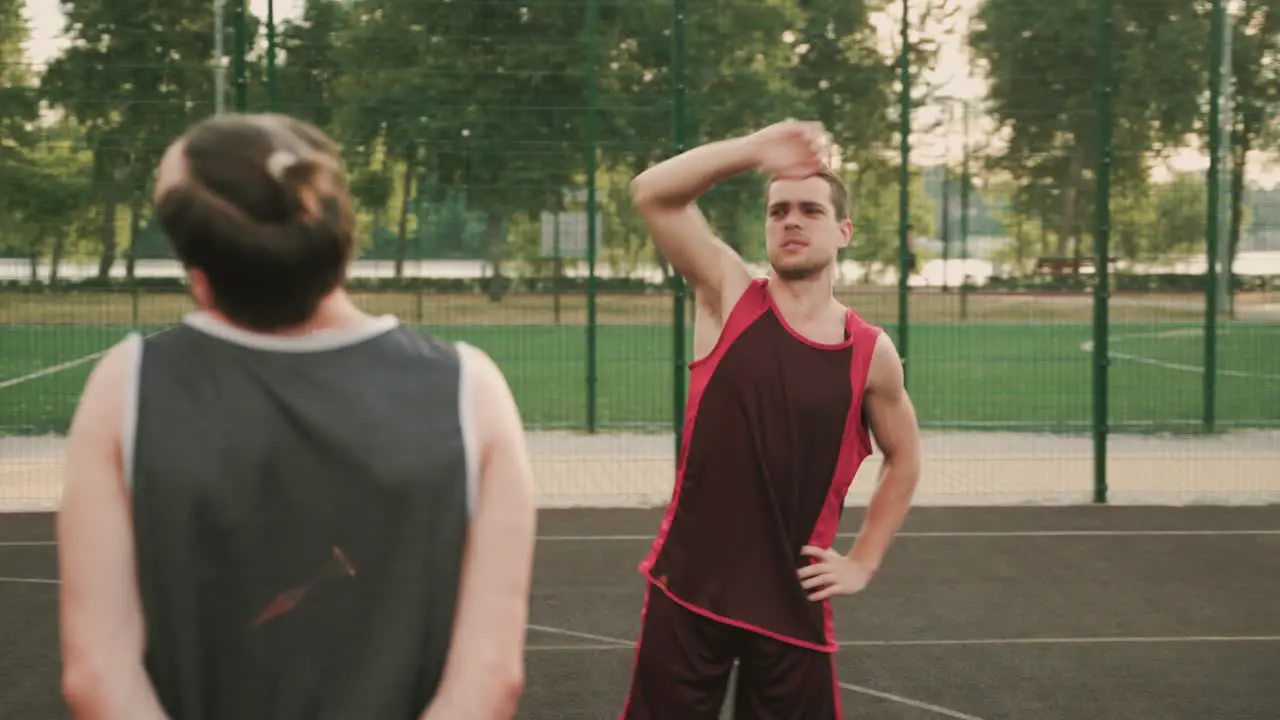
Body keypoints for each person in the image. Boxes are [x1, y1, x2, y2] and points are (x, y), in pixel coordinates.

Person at [56, 113, 536, 720]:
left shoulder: (128, 387)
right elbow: (490, 679)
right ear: (344, 231)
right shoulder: (471, 390)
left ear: (199, 278)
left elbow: (98, 677)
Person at [618, 120, 922, 719]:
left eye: (809, 209)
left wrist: (863, 559)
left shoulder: (869, 353)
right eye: (778, 209)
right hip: (690, 589)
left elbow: (905, 457)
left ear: (843, 231)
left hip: (792, 600)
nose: (790, 220)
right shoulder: (729, 295)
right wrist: (755, 150)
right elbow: (652, 192)